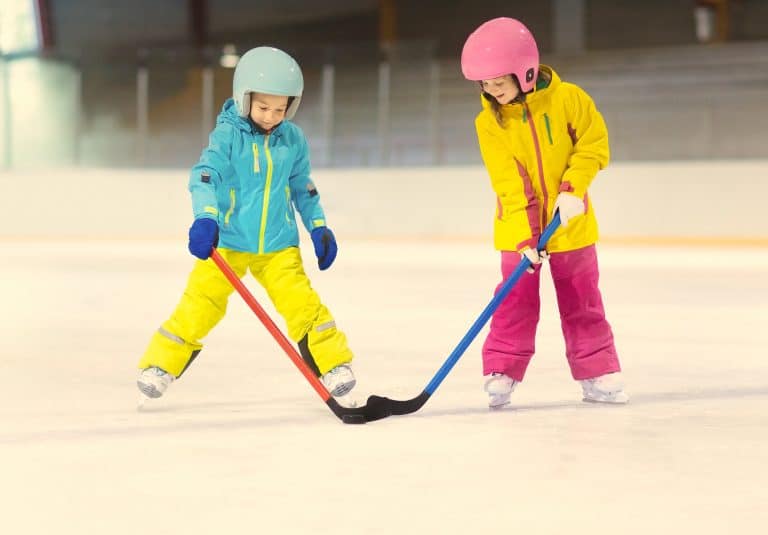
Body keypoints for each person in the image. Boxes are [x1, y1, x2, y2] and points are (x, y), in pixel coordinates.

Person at [136, 46, 356, 407]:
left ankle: (333, 364)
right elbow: (204, 176)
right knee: (200, 303)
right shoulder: (227, 137)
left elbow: (303, 186)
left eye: (280, 109)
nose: (271, 116)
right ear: (244, 99)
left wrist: (318, 227)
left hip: (278, 245)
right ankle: (161, 366)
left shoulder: (293, 140)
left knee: (303, 304)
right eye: (263, 107)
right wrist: (206, 217)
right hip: (228, 243)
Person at [461, 17, 629, 409]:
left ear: (526, 71)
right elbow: (508, 183)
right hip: (516, 226)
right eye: (484, 84)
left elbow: (593, 145)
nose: (490, 91)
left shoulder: (569, 99)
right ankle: (502, 368)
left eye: (497, 82)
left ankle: (597, 371)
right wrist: (524, 238)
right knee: (514, 297)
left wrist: (573, 189)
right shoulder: (489, 123)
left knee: (581, 297)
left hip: (570, 221)